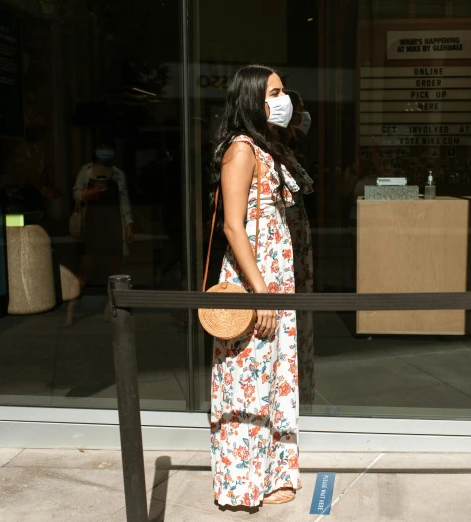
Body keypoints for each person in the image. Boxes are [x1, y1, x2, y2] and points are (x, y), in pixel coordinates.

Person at [209, 64, 305, 507]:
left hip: (274, 280)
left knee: (275, 374)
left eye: (282, 91)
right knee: (248, 377)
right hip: (256, 281)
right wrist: (261, 291)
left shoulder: (266, 147)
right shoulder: (242, 150)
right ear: (251, 98)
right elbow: (232, 226)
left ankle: (274, 473)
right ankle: (244, 481)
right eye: (274, 92)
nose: (282, 99)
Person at [65, 138, 133, 326]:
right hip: (93, 225)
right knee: (85, 269)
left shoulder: (118, 174)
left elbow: (125, 200)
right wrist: (89, 192)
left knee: (114, 270)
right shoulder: (86, 171)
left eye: (108, 148)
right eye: (102, 148)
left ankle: (108, 308)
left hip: (113, 225)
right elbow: (76, 193)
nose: (105, 152)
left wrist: (128, 225)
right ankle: (70, 312)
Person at [280, 90, 315, 411]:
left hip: (295, 234)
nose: (304, 116)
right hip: (280, 240)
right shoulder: (269, 151)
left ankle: (299, 396)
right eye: (299, 110)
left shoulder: (289, 149)